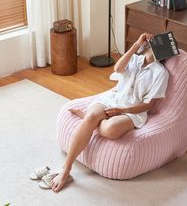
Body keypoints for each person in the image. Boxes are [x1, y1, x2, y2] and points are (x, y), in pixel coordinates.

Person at [51, 33, 169, 192]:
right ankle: (66, 169)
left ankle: (87, 119)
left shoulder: (161, 73)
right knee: (93, 116)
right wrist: (136, 45)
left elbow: (148, 104)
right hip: (114, 99)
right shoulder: (133, 59)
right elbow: (117, 68)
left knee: (110, 130)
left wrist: (122, 110)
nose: (151, 45)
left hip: (132, 111)